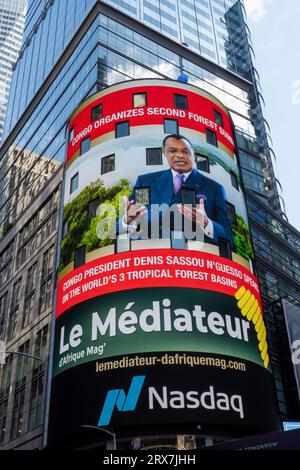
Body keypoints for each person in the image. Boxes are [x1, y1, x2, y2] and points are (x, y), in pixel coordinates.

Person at [122, 134, 233, 246]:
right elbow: (134, 217)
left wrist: (206, 223)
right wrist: (127, 220)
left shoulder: (214, 188)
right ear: (164, 153)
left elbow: (228, 237)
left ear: (193, 155)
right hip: (149, 254)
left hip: (191, 257)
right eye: (172, 151)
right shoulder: (146, 181)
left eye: (185, 151)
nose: (179, 155)